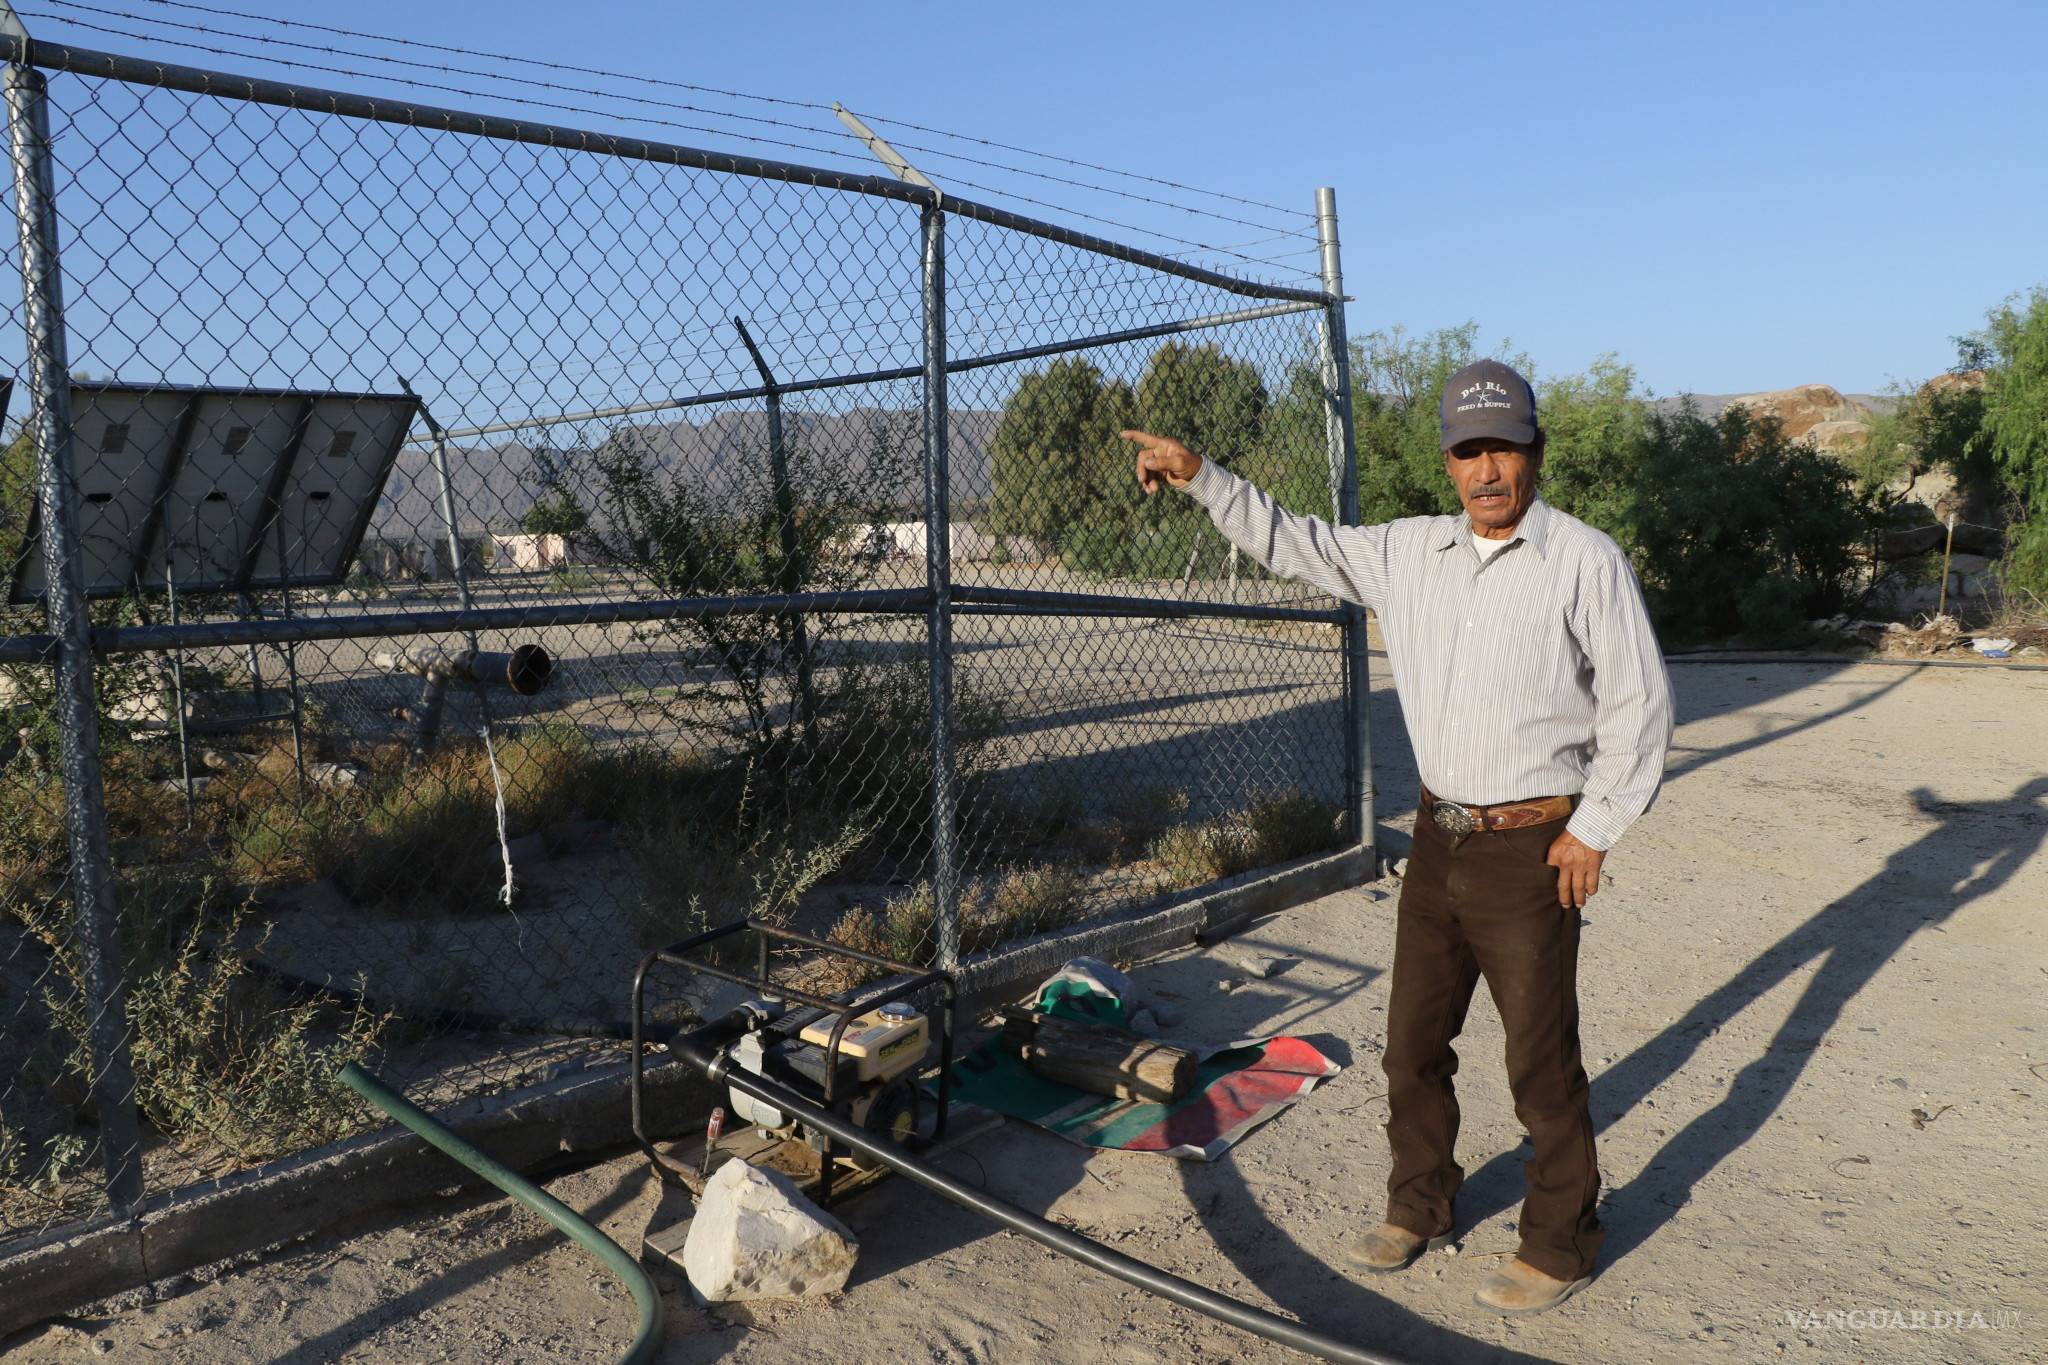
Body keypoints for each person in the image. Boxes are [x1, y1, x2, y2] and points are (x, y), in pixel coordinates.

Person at [1119, 358, 1673, 1316]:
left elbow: (1640, 704)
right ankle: (1420, 1204)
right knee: (1411, 1044)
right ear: (1448, 463)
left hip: (1529, 846)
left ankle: (1561, 1239)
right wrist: (1202, 473)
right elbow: (1294, 542)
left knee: (1539, 1060)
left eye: (1502, 447)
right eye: (1468, 451)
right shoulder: (1408, 552)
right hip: (1435, 836)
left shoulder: (1586, 559)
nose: (1487, 469)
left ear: (1535, 450)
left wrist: (1594, 830)